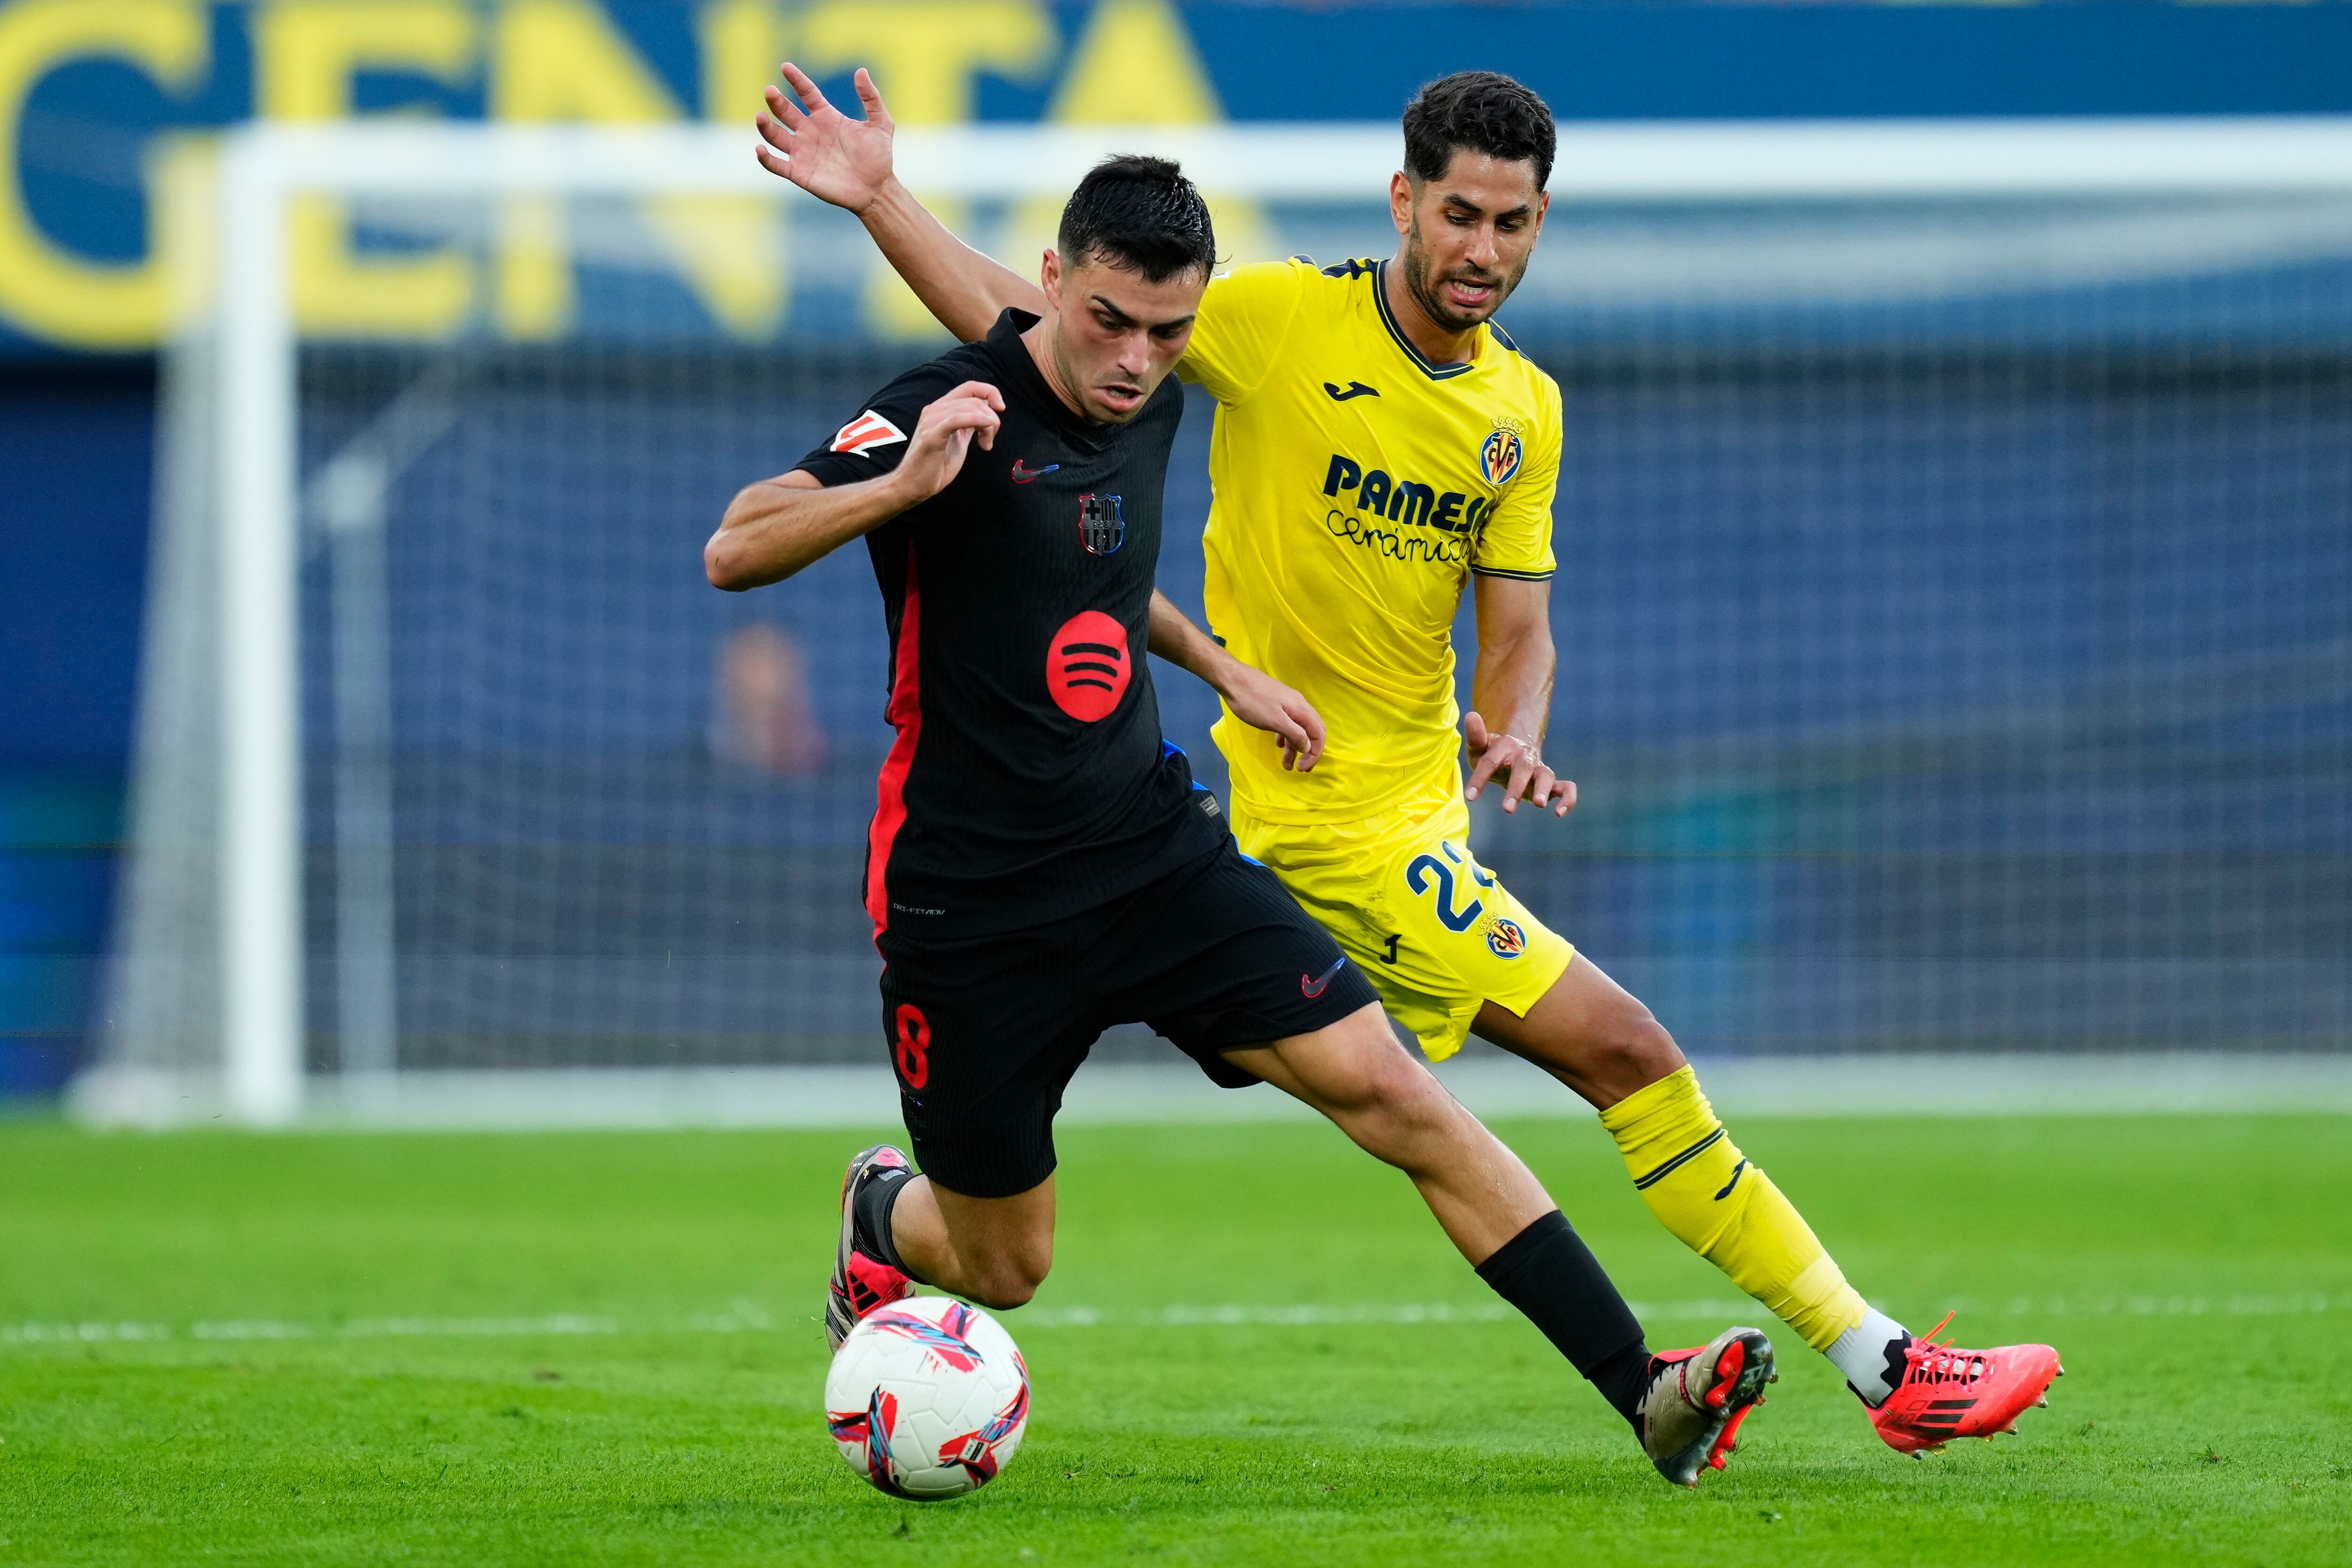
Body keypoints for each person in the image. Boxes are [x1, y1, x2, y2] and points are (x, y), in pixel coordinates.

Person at [753, 67, 2063, 1456]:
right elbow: (1035, 330)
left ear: (1540, 225)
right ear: (1403, 204)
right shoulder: (1272, 321)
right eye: (1459, 216)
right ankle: (1875, 1364)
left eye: (1512, 222)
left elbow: (1521, 632)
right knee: (1613, 1053)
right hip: (1311, 824)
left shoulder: (1523, 410)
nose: (1482, 249)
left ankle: (1695, 1387)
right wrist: (884, 203)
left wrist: (1518, 724)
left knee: (1400, 1119)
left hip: (1409, 817)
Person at [706, 154, 1772, 1488]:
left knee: (1394, 1093)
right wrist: (900, 491)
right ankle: (882, 1213)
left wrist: (1221, 669)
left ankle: (1647, 1390)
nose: (1138, 361)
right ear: (1051, 282)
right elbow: (737, 543)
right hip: (970, 905)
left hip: (1149, 855)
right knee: (1005, 1265)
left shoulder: (1151, 397)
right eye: (1110, 322)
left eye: (1168, 332)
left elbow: (1093, 564)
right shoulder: (949, 408)